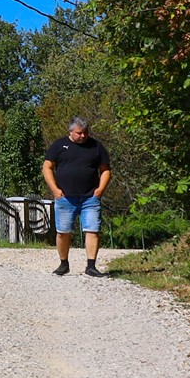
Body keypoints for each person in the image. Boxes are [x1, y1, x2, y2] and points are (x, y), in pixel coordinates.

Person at [42, 117, 112, 277]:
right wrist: (55, 189)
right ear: (71, 132)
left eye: (86, 133)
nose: (83, 136)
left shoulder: (96, 146)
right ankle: (63, 263)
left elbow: (106, 170)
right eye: (79, 133)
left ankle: (91, 266)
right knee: (63, 232)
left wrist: (100, 189)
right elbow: (47, 167)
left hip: (90, 198)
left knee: (93, 230)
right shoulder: (59, 145)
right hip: (65, 198)